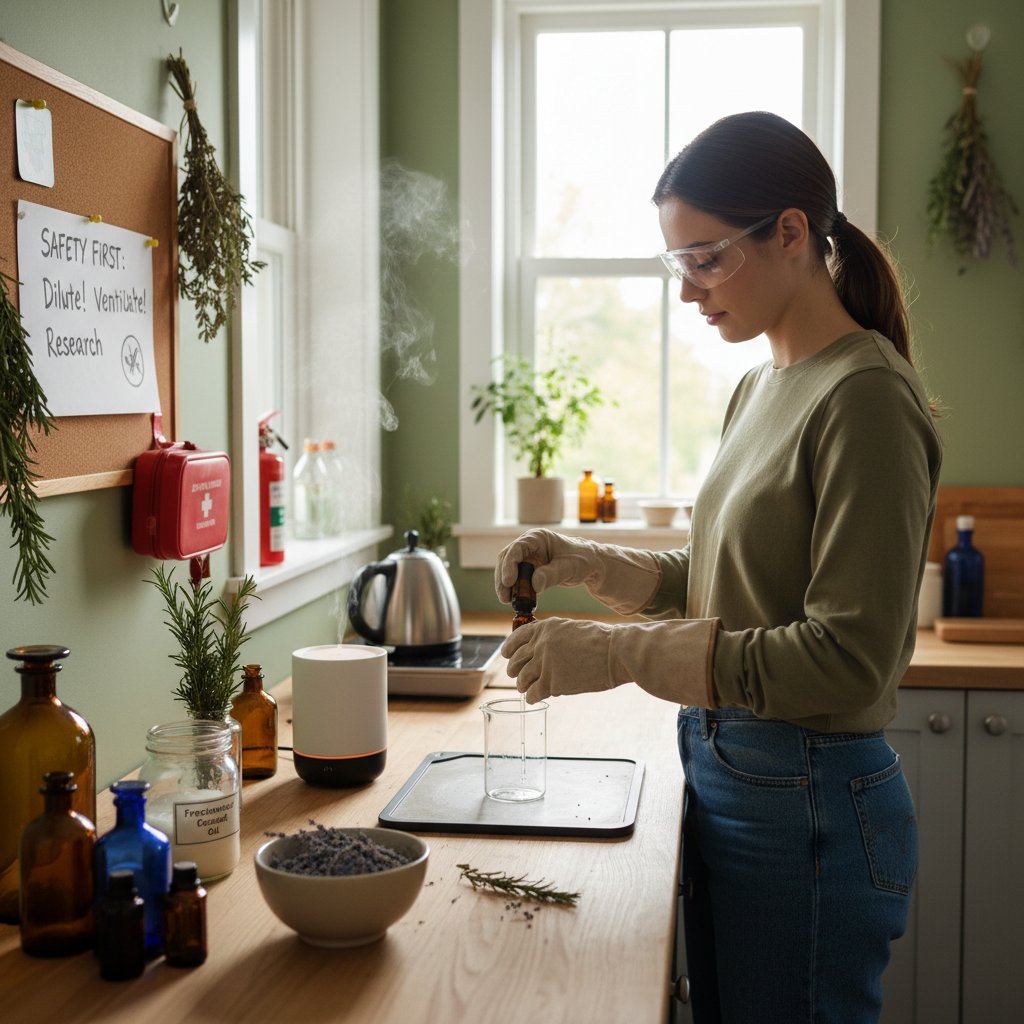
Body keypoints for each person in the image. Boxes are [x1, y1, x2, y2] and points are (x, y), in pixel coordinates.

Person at [496, 111, 943, 1024]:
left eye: (708, 259)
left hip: (809, 798)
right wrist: (585, 560)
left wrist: (620, 656)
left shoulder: (866, 398)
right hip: (738, 775)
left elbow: (845, 658)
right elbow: (722, 571)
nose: (691, 290)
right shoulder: (763, 383)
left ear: (789, 233)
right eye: (680, 264)